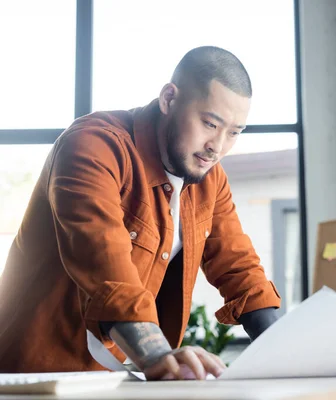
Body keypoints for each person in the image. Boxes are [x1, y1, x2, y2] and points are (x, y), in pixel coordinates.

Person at [0, 46, 281, 380]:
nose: (217, 146)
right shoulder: (93, 146)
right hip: (34, 378)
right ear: (168, 99)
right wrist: (159, 357)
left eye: (233, 133)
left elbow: (240, 268)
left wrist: (289, 354)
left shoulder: (208, 176)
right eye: (209, 123)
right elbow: (105, 263)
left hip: (118, 379)